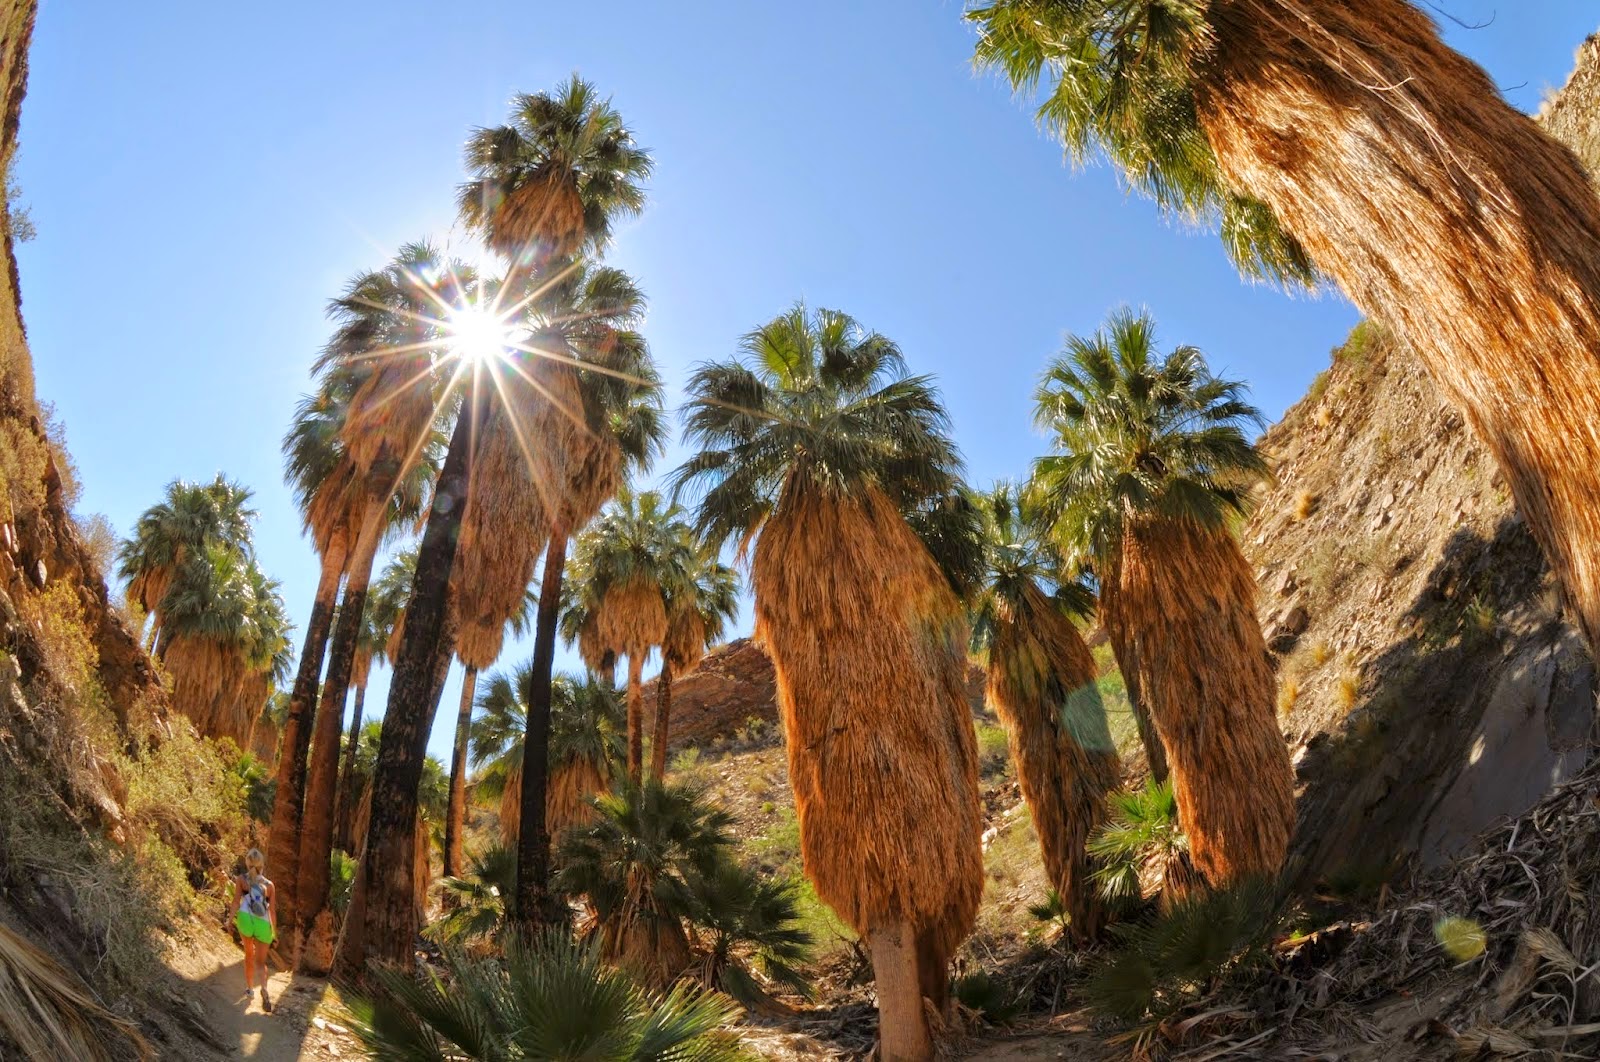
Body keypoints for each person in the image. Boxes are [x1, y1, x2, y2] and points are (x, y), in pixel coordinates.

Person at [232, 848, 275, 1013]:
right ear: (262, 864)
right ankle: (263, 987)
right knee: (261, 962)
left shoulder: (241, 880)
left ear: (247, 863)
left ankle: (250, 990)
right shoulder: (269, 885)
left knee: (249, 954)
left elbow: (236, 901)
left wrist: (230, 920)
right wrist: (274, 931)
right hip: (263, 923)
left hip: (245, 919)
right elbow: (272, 911)